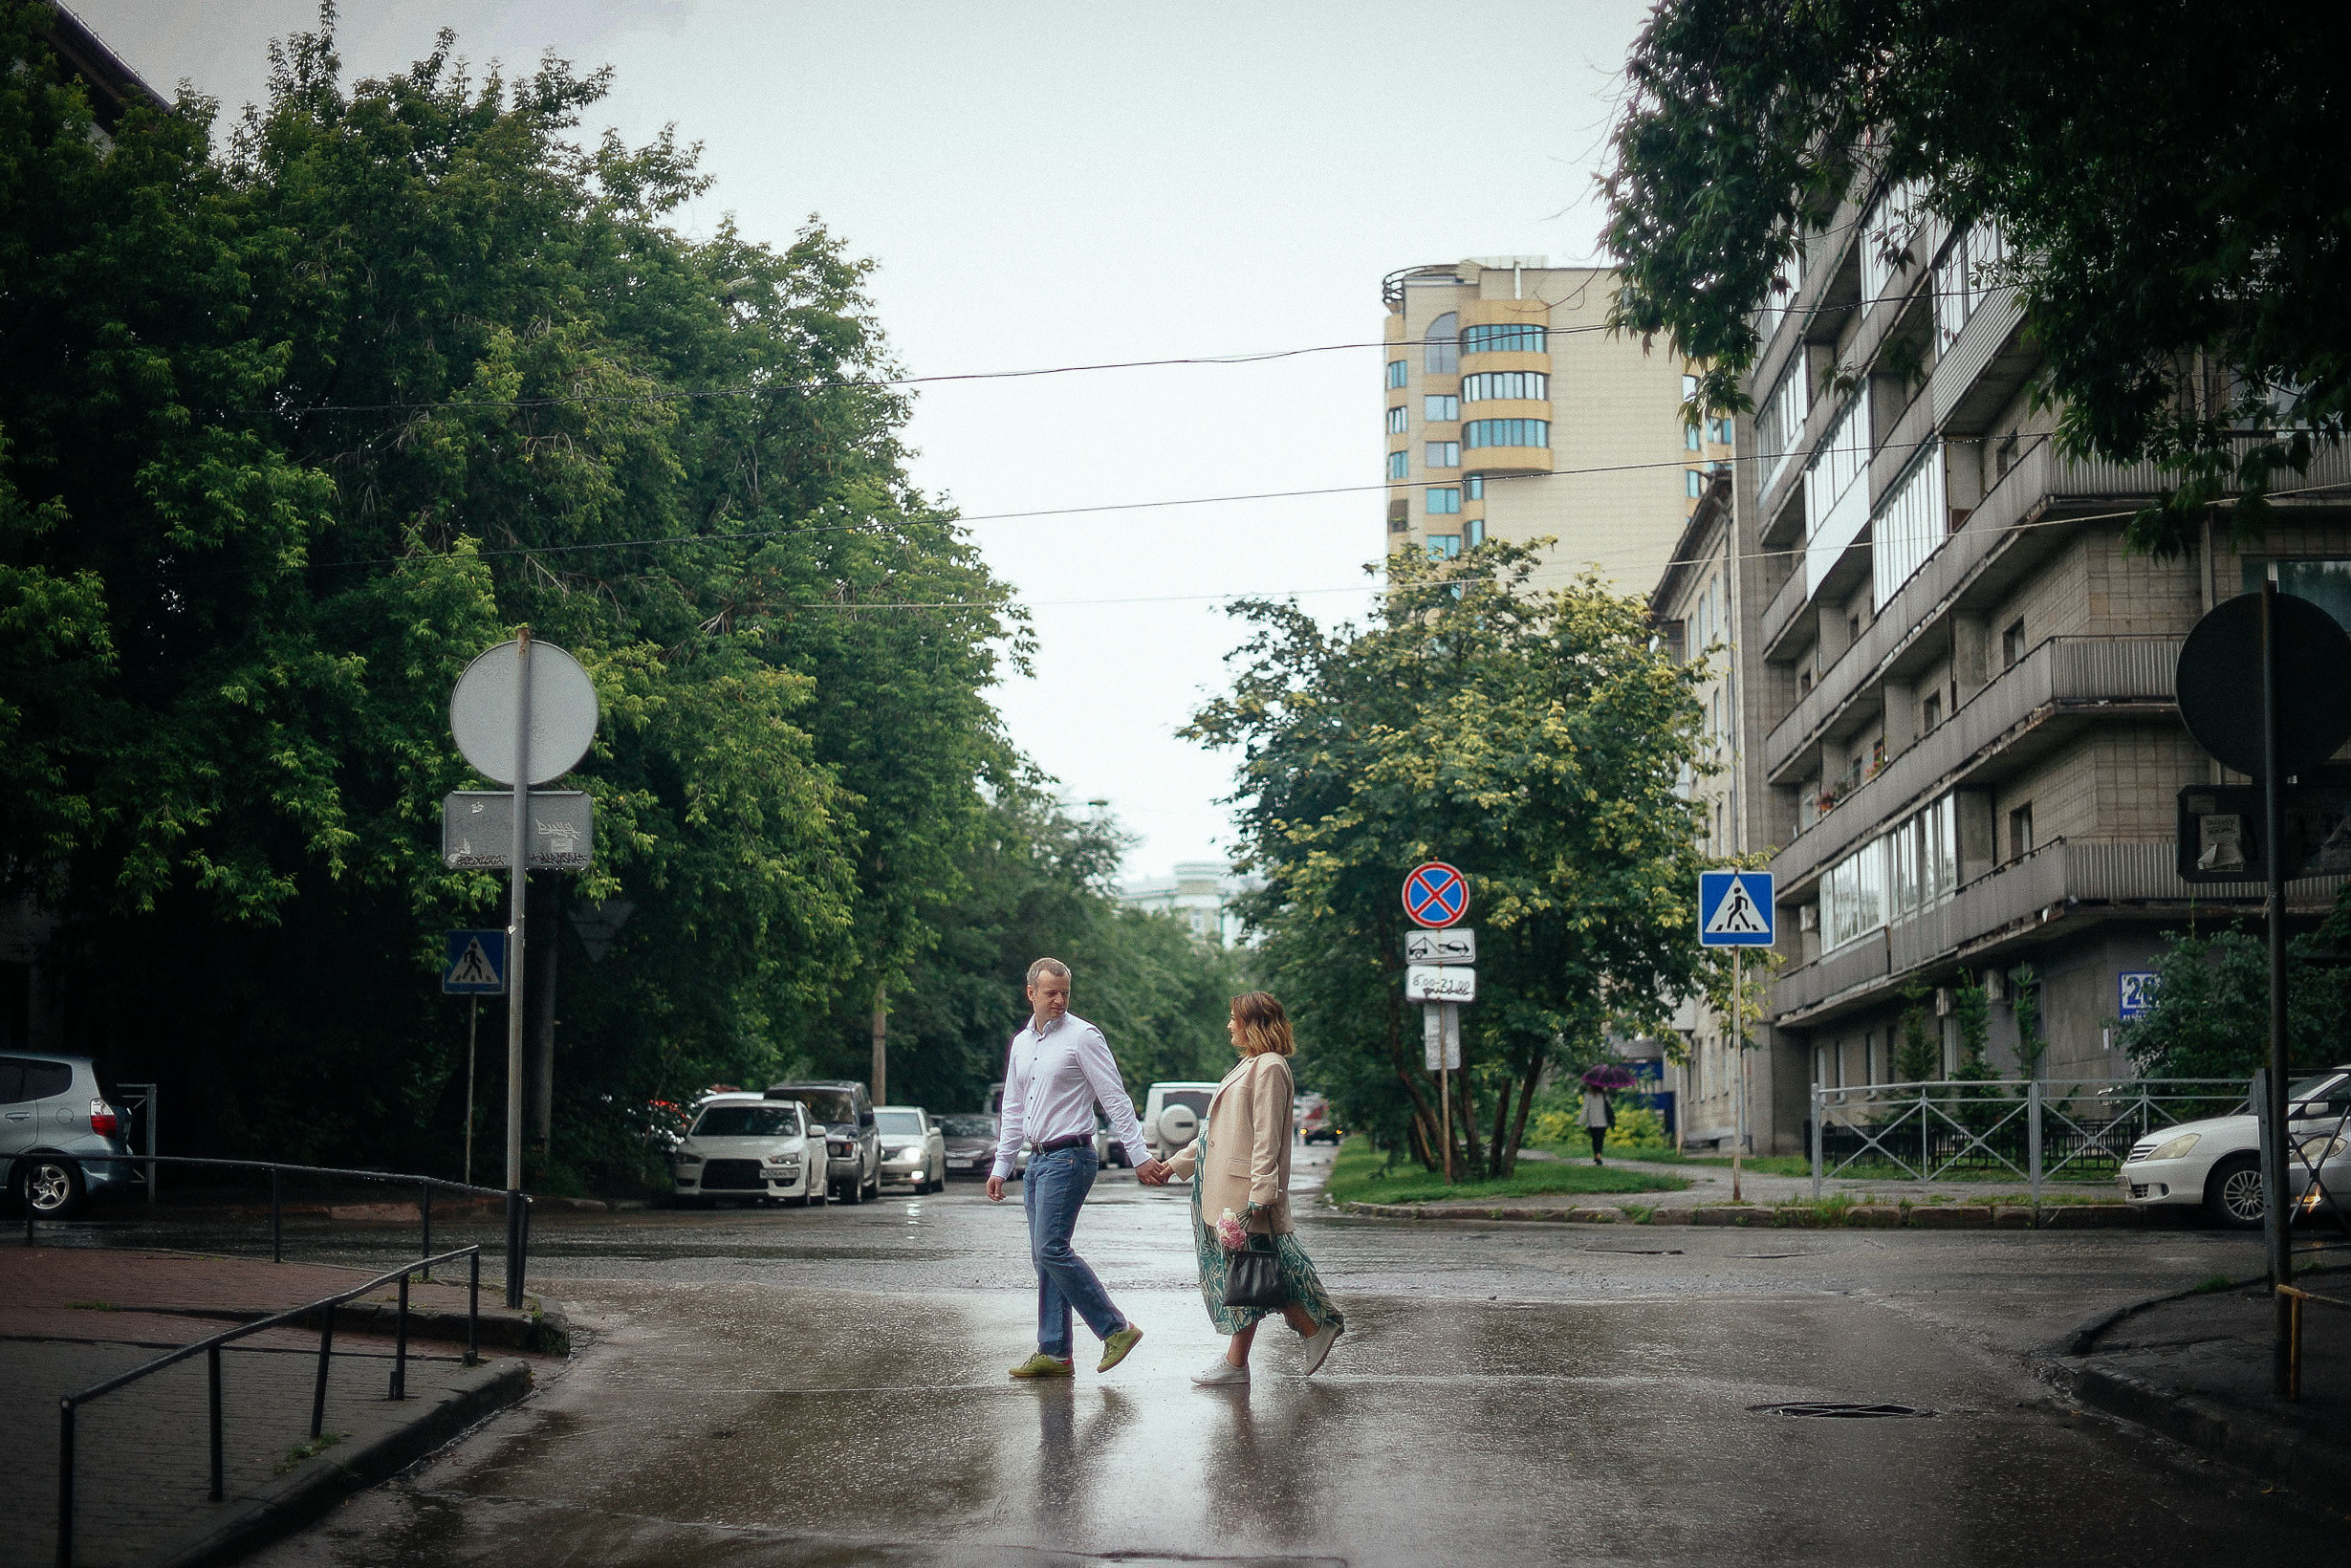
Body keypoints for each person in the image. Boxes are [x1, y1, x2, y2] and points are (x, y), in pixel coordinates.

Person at [1141, 991, 1343, 1385]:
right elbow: (1216, 1135)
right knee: (1254, 1273)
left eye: (1234, 1018)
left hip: (1244, 1193)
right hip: (1225, 1191)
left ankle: (1285, 1341)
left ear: (1254, 1024)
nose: (1229, 1025)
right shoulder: (1250, 1065)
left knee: (1253, 1273)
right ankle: (1296, 1335)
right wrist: (1174, 1165)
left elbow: (1267, 1138)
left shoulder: (1269, 1068)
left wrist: (1262, 1195)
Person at [990, 957, 1170, 1379]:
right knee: (1043, 1255)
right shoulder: (1021, 1044)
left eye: (1065, 993)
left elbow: (1115, 1098)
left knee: (1051, 1247)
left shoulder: (1083, 1037)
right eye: (1050, 993)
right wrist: (1002, 1164)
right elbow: (1012, 1108)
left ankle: (1115, 1329)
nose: (1059, 1000)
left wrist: (1139, 1155)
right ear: (1030, 993)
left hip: (1071, 1156)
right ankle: (1054, 1352)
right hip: (1036, 1159)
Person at [1580, 1082, 1616, 1165]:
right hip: (1603, 1122)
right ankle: (1599, 1155)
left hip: (1592, 1123)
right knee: (1600, 1140)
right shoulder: (1604, 1096)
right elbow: (1609, 1106)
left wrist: (1580, 1121)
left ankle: (1597, 1154)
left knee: (1595, 1140)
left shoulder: (1588, 1095)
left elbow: (1585, 1109)